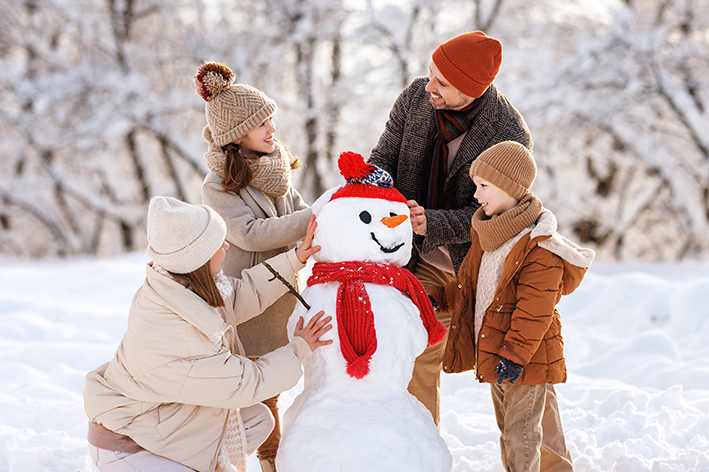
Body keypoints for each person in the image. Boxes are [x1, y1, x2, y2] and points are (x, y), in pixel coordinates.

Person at [83, 196, 332, 472]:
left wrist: (295, 258)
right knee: (246, 407)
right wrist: (299, 348)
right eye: (218, 243)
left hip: (162, 420)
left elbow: (241, 294)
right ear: (198, 258)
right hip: (129, 447)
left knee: (258, 418)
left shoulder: (179, 287)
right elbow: (245, 384)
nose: (226, 246)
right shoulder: (179, 333)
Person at [367, 30, 531, 427]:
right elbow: (385, 155)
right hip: (416, 255)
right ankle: (419, 453)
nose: (430, 86)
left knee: (514, 368)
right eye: (430, 73)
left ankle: (547, 464)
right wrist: (367, 182)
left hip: (477, 262)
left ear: (472, 91)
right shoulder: (415, 98)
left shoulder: (508, 134)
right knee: (416, 351)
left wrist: (434, 222)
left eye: (442, 82)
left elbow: (494, 213)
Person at [429, 141, 595, 471]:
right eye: (477, 185)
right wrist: (437, 298)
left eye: (484, 186)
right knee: (509, 431)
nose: (476, 195)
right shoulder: (490, 236)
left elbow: (536, 309)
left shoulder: (538, 246)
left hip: (523, 357)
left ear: (509, 186)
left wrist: (515, 354)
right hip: (496, 352)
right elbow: (473, 287)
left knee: (522, 434)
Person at [195, 62, 313, 472]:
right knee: (262, 390)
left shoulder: (276, 170)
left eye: (271, 119)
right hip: (250, 300)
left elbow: (299, 213)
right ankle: (267, 461)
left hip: (284, 293)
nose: (271, 128)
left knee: (278, 384)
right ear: (236, 134)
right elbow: (252, 234)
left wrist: (323, 223)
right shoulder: (217, 185)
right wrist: (316, 220)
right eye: (261, 122)